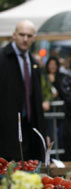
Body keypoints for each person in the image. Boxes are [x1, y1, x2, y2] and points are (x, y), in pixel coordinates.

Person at [0, 20, 46, 161]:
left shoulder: (33, 62)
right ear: (14, 35)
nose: (25, 39)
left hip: (30, 128)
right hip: (6, 128)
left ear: (34, 38)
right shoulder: (2, 58)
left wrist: (43, 132)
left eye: (29, 36)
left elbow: (37, 98)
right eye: (22, 35)